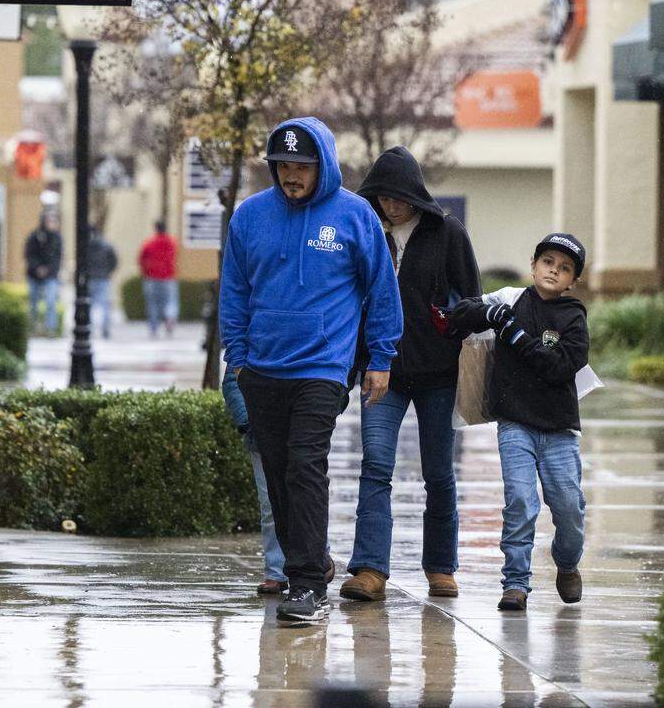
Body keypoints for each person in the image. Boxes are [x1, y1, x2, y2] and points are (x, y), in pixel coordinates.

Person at [220, 117, 402, 626]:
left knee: (304, 465)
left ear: (322, 164)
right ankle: (314, 557)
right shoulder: (250, 217)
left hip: (323, 366)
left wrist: (380, 358)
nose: (291, 175)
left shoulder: (354, 216)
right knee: (278, 474)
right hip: (261, 367)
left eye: (301, 165)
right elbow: (234, 290)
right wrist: (237, 355)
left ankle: (304, 585)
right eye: (282, 166)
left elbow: (382, 291)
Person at [339, 147, 481, 603]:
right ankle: (369, 569)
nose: (390, 205)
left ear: (415, 195)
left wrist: (453, 317)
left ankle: (441, 568)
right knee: (376, 466)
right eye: (382, 196)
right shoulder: (366, 231)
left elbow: (473, 301)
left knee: (438, 472)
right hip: (383, 373)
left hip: (439, 374)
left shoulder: (447, 232)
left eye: (398, 197)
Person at [447, 233, 590, 612]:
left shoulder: (573, 317)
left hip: (559, 430)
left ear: (572, 280)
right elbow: (458, 316)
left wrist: (513, 334)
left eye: (564, 269)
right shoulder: (510, 299)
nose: (553, 271)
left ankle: (568, 563)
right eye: (548, 263)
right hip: (515, 424)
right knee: (520, 502)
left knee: (569, 509)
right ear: (534, 265)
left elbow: (558, 366)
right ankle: (515, 583)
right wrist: (488, 314)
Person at [221, 363, 337, 595]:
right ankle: (276, 570)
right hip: (261, 434)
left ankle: (316, 557)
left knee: (304, 494)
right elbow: (231, 383)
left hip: (299, 427)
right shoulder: (247, 350)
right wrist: (250, 422)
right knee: (270, 504)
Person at [24, 211, 63, 337]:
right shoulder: (34, 236)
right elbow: (29, 255)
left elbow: (57, 258)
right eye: (50, 221)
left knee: (51, 302)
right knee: (33, 302)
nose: (52, 224)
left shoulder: (57, 238)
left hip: (51, 275)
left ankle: (50, 329)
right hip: (34, 275)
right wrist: (38, 268)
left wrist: (48, 269)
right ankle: (32, 328)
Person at [138, 221, 178, 337]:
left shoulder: (149, 243)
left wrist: (145, 272)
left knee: (152, 304)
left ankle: (154, 328)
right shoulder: (171, 242)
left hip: (152, 277)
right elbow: (174, 256)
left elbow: (141, 259)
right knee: (170, 301)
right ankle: (170, 317)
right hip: (168, 276)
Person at [88, 226, 119, 340]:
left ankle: (89, 328)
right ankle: (105, 328)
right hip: (103, 278)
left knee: (89, 305)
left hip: (90, 278)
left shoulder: (87, 246)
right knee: (105, 305)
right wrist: (109, 271)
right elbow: (114, 260)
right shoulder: (107, 245)